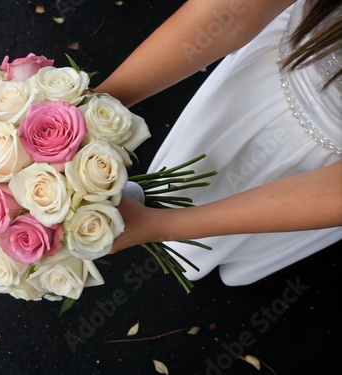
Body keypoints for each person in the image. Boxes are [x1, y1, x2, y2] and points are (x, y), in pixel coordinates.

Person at [95, 0, 342, 285]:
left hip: (317, 174)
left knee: (235, 233)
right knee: (190, 170)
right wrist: (91, 108)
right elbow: (229, 14)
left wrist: (162, 227)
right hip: (263, 77)